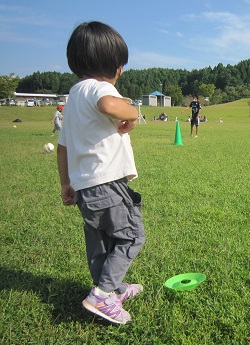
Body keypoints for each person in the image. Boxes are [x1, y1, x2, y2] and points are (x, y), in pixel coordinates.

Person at [57, 21, 146, 325]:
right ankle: (103, 295)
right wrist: (133, 113)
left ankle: (113, 288)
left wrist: (66, 184)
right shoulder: (102, 88)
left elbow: (63, 147)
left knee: (100, 243)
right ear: (116, 66)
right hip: (107, 184)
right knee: (131, 236)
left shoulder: (73, 98)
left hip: (83, 187)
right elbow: (111, 104)